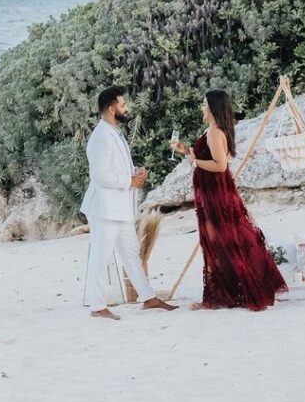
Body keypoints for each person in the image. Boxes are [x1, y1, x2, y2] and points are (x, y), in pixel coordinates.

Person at [170, 89, 288, 311]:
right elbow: (207, 158)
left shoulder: (215, 133)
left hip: (216, 193)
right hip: (212, 191)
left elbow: (220, 165)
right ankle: (229, 291)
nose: (201, 108)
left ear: (213, 107)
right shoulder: (212, 131)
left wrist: (195, 163)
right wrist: (185, 151)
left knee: (220, 240)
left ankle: (224, 294)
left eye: (204, 104)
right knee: (221, 240)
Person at [81, 86, 177, 320]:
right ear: (112, 109)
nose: (127, 108)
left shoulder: (114, 132)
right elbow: (99, 176)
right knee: (101, 257)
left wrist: (134, 174)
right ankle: (97, 306)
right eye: (123, 105)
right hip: (105, 209)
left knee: (131, 254)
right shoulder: (101, 136)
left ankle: (149, 298)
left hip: (120, 207)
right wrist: (128, 181)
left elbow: (115, 169)